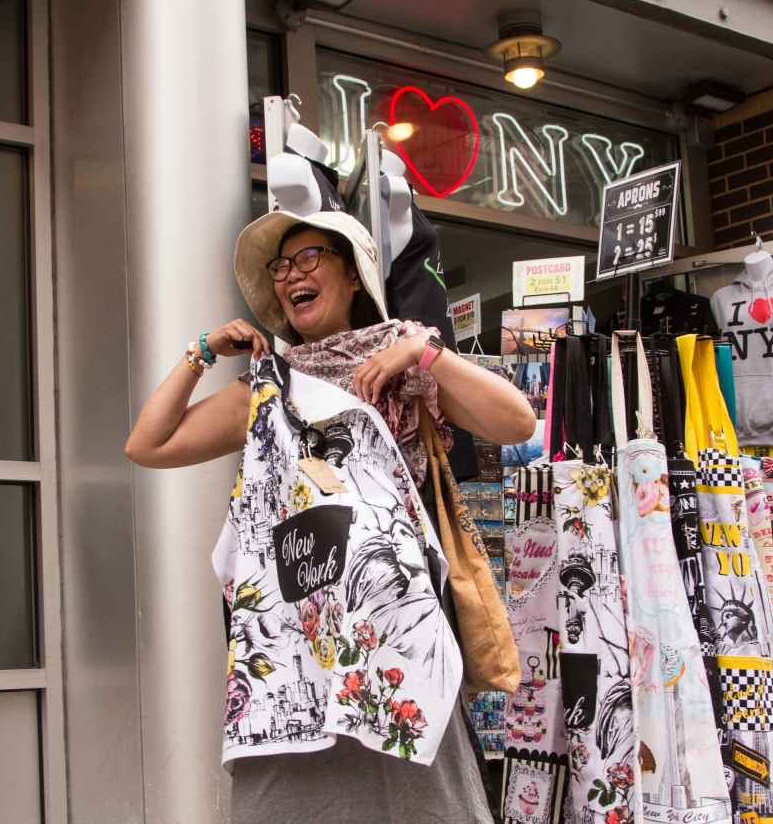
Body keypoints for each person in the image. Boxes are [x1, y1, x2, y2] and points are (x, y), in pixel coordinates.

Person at [126, 210, 535, 822]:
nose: (292, 275)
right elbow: (148, 445)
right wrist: (203, 350)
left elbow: (517, 422)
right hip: (294, 638)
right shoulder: (269, 386)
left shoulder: (403, 355)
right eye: (282, 266)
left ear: (352, 274)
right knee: (293, 796)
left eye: (310, 258)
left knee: (421, 791)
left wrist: (426, 354)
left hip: (395, 629)